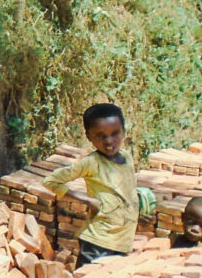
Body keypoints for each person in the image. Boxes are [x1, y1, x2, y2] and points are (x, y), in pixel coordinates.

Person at [42, 103, 139, 269]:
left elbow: (125, 190)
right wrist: (87, 199)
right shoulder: (92, 162)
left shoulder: (127, 157)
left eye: (115, 134)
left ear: (124, 131)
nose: (109, 141)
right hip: (97, 243)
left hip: (122, 241)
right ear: (89, 136)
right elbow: (51, 181)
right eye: (100, 136)